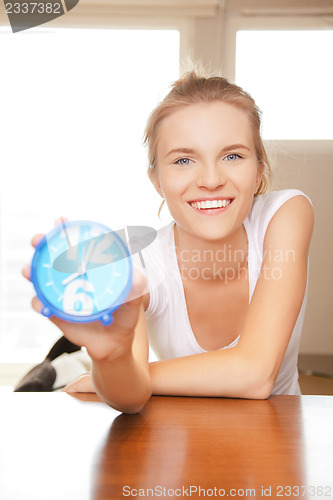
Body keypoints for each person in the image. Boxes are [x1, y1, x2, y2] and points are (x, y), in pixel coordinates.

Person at [22, 71, 314, 412]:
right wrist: (112, 360)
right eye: (183, 160)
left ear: (259, 170)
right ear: (157, 181)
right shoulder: (143, 264)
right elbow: (129, 400)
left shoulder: (285, 214)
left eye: (232, 156)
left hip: (277, 441)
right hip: (183, 441)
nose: (210, 180)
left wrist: (141, 375)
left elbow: (255, 374)